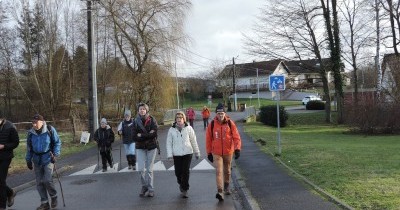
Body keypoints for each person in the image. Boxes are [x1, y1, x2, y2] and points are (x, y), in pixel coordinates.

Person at [206, 103, 241, 201]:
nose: (220, 115)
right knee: (218, 171)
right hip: (217, 152)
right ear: (216, 114)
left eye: (222, 113)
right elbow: (208, 139)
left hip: (228, 152)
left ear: (225, 113)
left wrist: (237, 149)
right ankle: (220, 191)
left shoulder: (230, 123)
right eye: (218, 113)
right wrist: (209, 152)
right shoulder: (212, 124)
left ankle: (226, 186)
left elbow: (236, 137)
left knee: (227, 171)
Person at [26, 114, 61, 210]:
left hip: (48, 158)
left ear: (42, 122)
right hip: (36, 160)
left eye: (36, 122)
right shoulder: (30, 133)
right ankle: (44, 203)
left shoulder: (49, 129)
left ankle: (54, 196)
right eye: (32, 122)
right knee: (39, 183)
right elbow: (29, 148)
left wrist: (56, 154)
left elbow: (57, 142)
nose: (34, 124)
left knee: (47, 180)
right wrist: (28, 160)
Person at [166, 111, 200, 198]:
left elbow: (193, 140)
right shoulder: (171, 129)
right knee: (178, 172)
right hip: (176, 154)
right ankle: (181, 183)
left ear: (184, 119)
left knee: (185, 171)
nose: (179, 120)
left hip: (188, 153)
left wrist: (197, 152)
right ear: (175, 120)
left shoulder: (189, 128)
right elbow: (169, 143)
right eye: (177, 118)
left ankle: (185, 189)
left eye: (180, 118)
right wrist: (169, 154)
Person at [133, 103, 158, 197]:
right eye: (140, 109)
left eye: (144, 109)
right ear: (138, 111)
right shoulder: (135, 121)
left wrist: (141, 135)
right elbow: (134, 136)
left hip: (151, 147)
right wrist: (147, 135)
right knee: (140, 169)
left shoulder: (152, 120)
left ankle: (151, 189)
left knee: (149, 170)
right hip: (140, 147)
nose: (142, 110)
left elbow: (154, 134)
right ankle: (144, 186)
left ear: (147, 110)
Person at [0, 111, 19, 210]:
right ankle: (10, 192)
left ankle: (2, 206)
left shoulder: (10, 126)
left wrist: (4, 146)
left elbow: (16, 143)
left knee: (1, 181)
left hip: (6, 157)